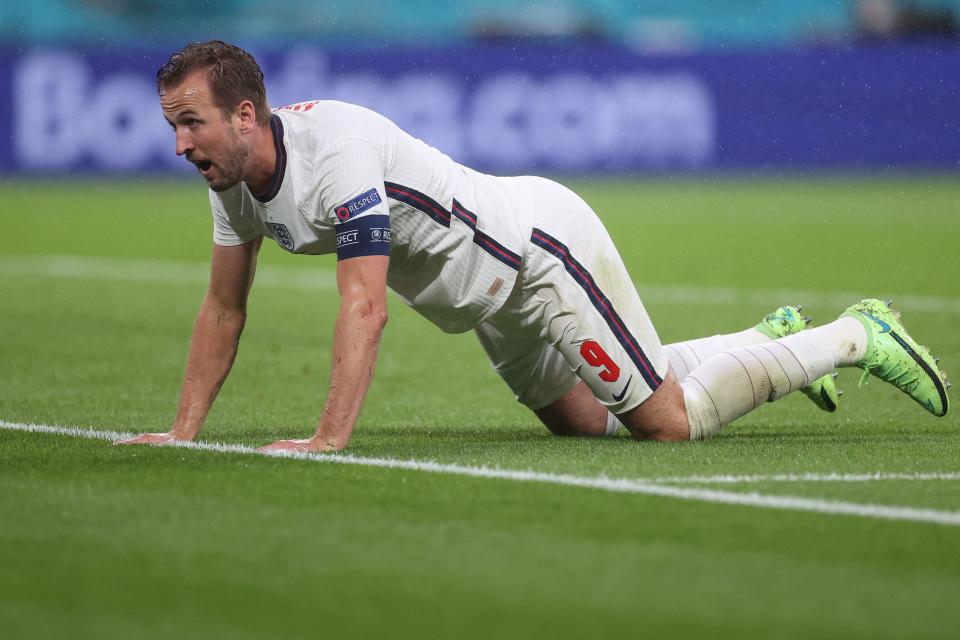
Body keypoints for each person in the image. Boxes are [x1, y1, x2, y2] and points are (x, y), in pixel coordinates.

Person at [117, 41, 949, 452]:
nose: (181, 144)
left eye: (191, 122)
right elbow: (225, 305)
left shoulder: (336, 152)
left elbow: (365, 306)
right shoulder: (231, 185)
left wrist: (328, 439)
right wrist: (183, 431)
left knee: (664, 423)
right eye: (173, 126)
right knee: (587, 425)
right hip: (483, 301)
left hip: (537, 252)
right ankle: (764, 342)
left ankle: (853, 335)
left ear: (247, 115)